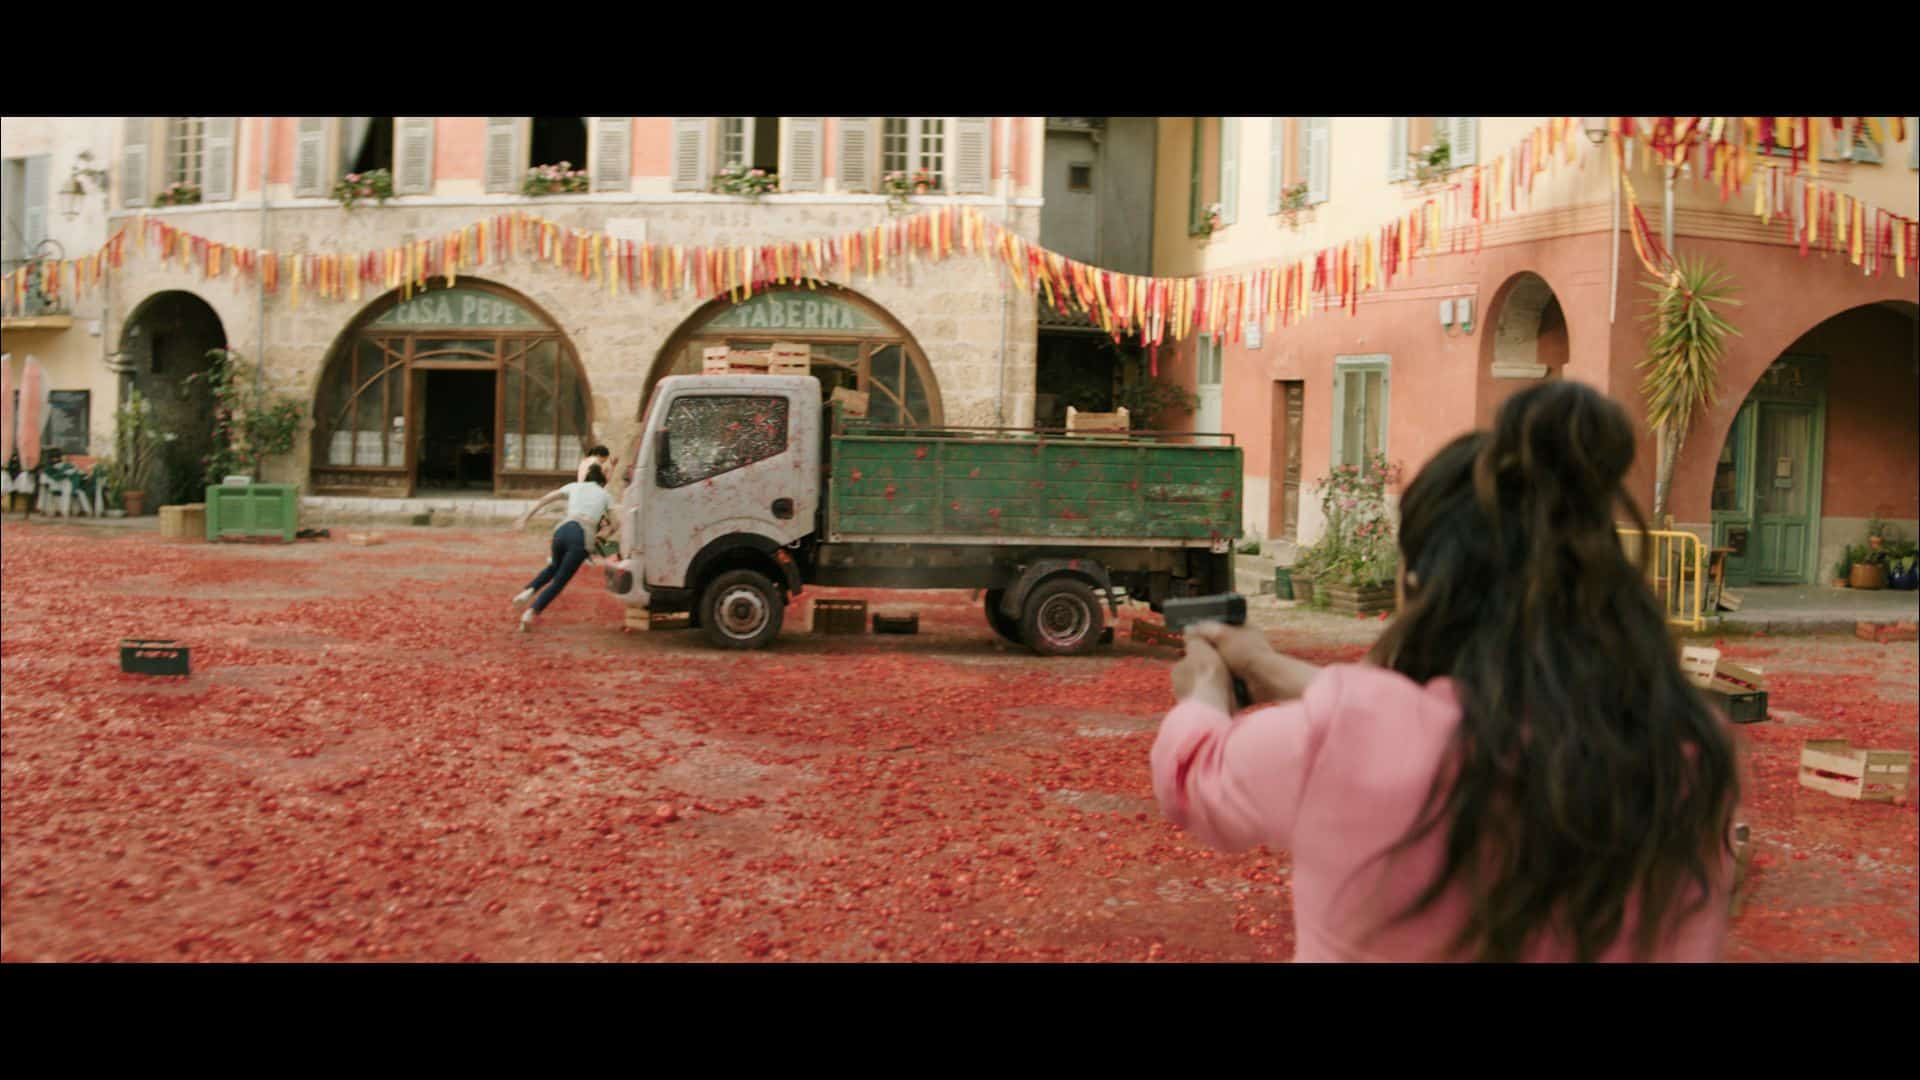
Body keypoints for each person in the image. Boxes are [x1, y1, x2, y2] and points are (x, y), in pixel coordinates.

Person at [1154, 381, 1741, 962]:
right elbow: (1453, 726)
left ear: (1423, 587)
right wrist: (1269, 667)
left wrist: (1204, 692)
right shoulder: (1689, 752)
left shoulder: (1349, 739)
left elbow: (1195, 776)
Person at [512, 464, 613, 631]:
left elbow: (545, 499)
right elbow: (615, 523)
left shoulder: (574, 486)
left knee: (553, 566)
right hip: (581, 536)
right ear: (602, 483)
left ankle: (528, 592)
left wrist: (525, 517)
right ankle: (530, 613)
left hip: (562, 530)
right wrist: (603, 536)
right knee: (559, 581)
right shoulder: (605, 495)